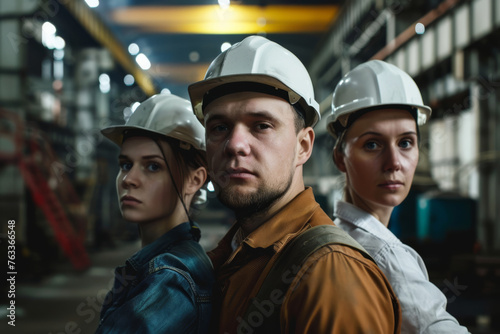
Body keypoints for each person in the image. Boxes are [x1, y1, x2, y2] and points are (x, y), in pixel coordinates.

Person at [188, 35, 401, 334]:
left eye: (261, 125)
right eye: (219, 127)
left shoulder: (331, 276)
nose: (235, 144)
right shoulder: (235, 252)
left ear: (303, 146)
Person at [327, 60, 470, 333]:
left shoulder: (336, 235)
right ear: (340, 158)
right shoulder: (385, 256)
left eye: (405, 143)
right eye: (372, 144)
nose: (394, 162)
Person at [95, 93, 214, 333]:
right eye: (126, 165)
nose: (129, 179)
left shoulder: (170, 278)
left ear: (195, 180)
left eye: (152, 166)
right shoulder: (169, 262)